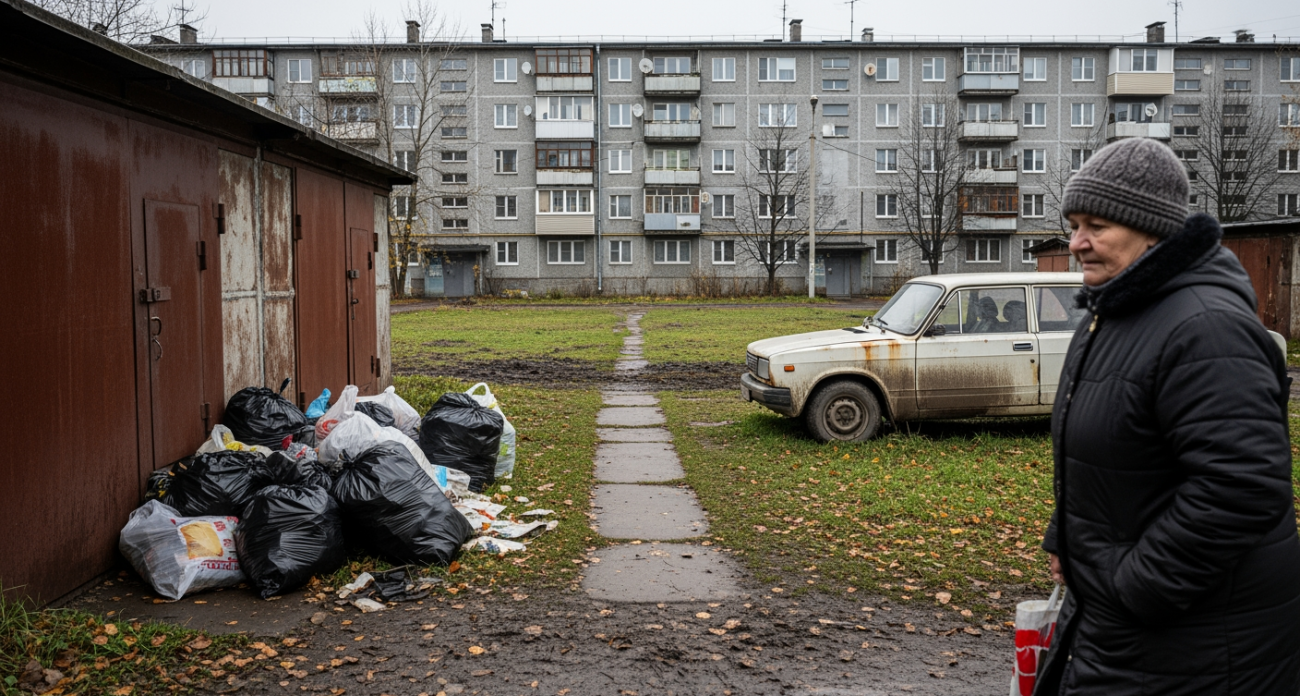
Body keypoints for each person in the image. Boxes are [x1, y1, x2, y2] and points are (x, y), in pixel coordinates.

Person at [1036, 137, 1300, 695]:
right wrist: (1069, 540)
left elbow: (1242, 487)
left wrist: (1134, 587)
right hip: (1127, 629)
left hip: (1193, 646)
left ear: (1151, 229)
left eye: (1096, 227)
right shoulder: (1115, 310)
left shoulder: (1204, 327)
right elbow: (1106, 453)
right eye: (1073, 223)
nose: (1076, 242)